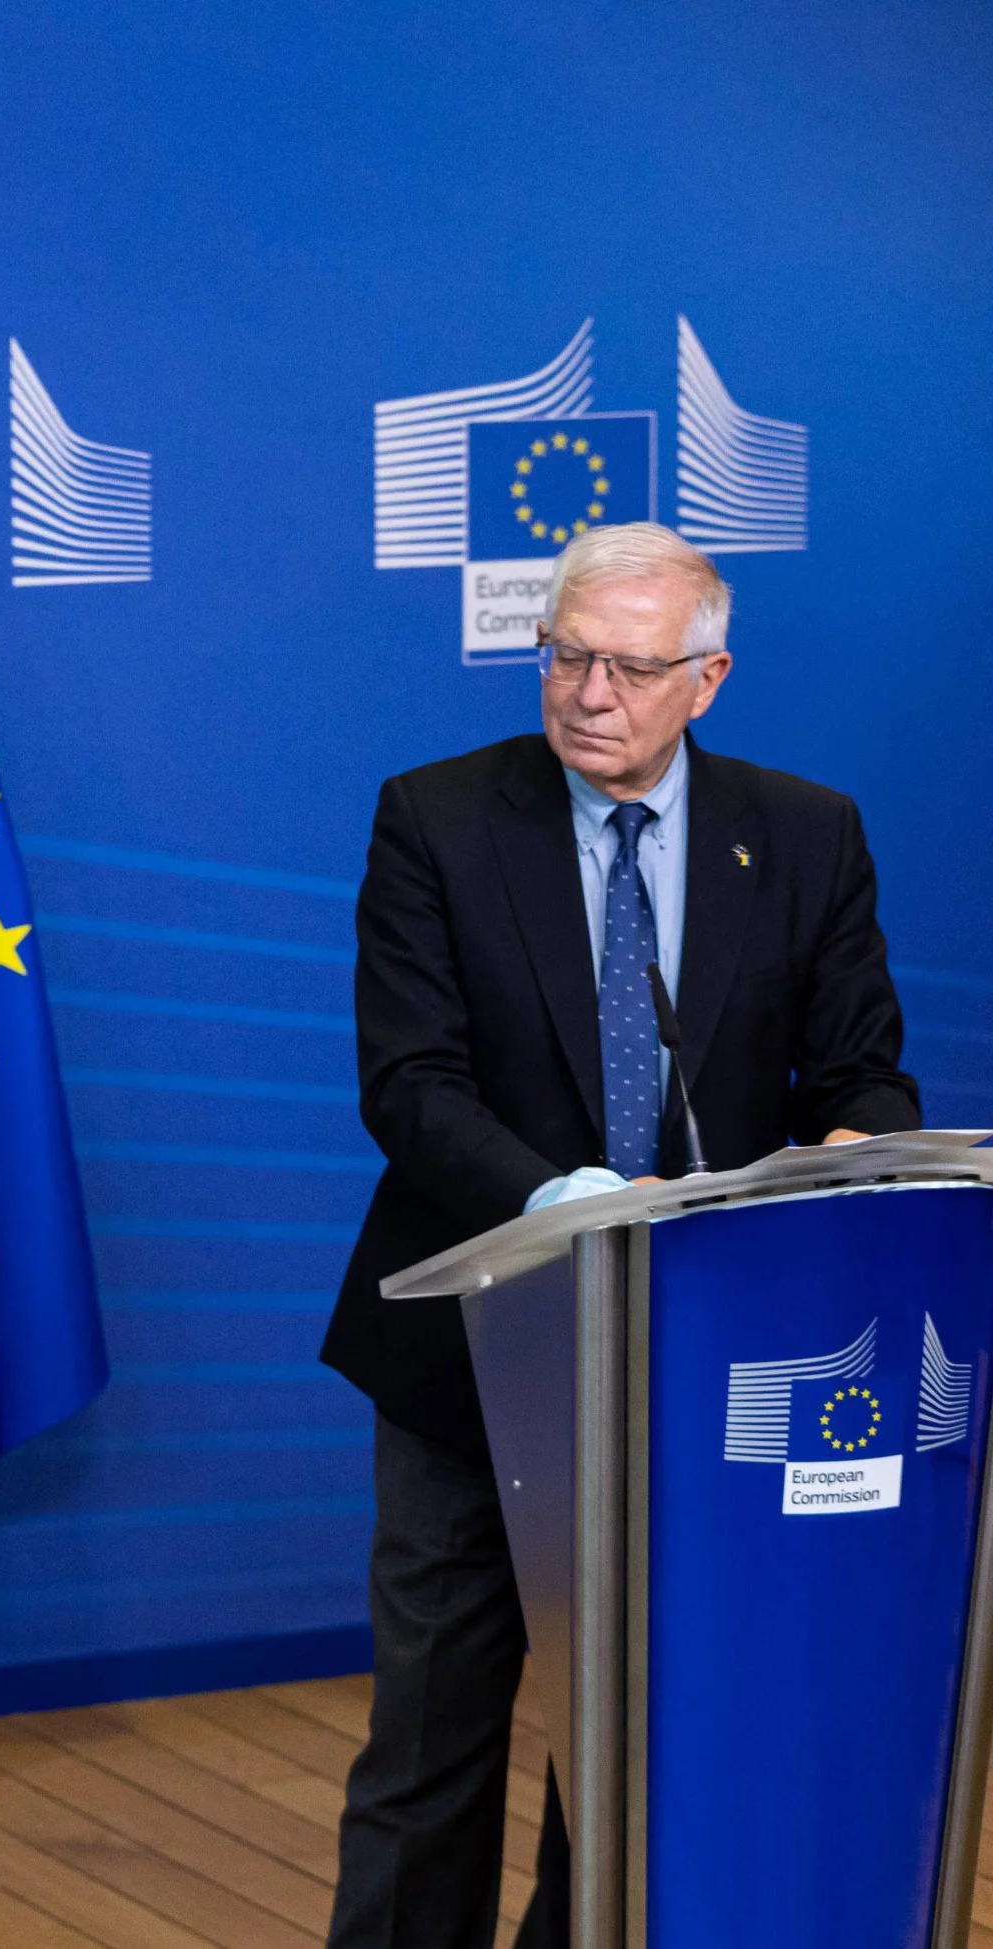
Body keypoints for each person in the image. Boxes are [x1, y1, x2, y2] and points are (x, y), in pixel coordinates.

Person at [318, 523, 920, 1946]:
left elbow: (863, 1070)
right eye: (566, 654)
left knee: (638, 1743)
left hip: (705, 1365)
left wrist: (853, 1150)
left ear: (706, 678)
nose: (590, 691)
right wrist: (558, 1197)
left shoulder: (807, 831)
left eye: (631, 667)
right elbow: (409, 1085)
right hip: (476, 1357)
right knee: (429, 1749)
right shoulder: (440, 817)